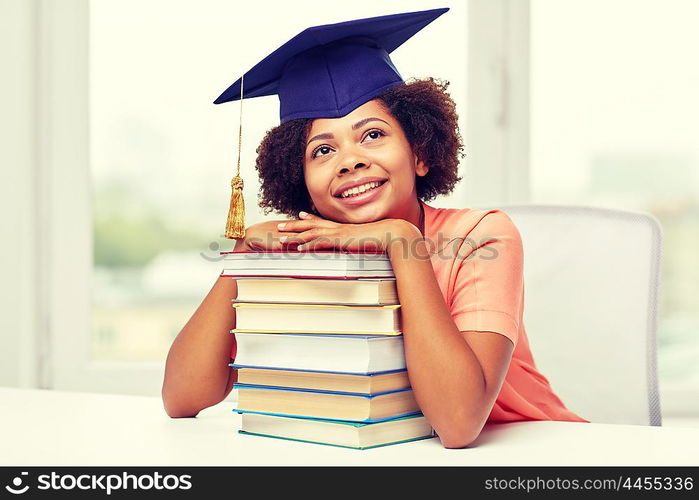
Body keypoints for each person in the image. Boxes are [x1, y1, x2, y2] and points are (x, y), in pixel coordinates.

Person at [161, 8, 588, 449]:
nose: (350, 160)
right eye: (323, 150)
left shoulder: (480, 237)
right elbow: (181, 398)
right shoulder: (300, 257)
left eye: (372, 135)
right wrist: (246, 257)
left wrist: (401, 242)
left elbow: (459, 425)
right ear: (301, 184)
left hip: (534, 448)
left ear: (420, 153)